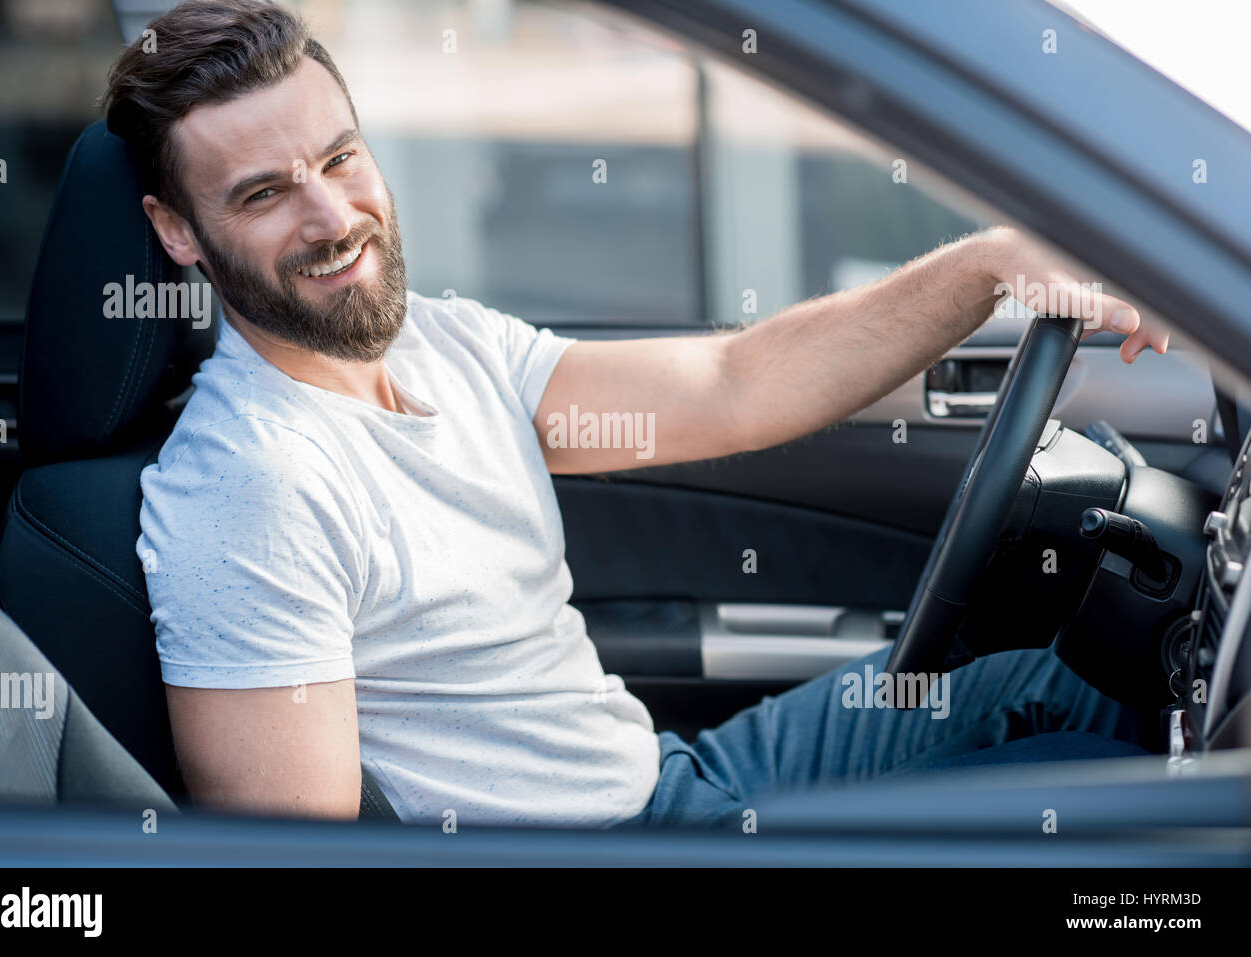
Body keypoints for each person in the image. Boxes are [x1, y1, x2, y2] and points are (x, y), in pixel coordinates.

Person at [113, 0, 1171, 828]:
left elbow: (735, 385)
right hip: (633, 843)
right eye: (263, 196)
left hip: (673, 780)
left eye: (340, 158)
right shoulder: (252, 486)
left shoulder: (442, 343)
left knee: (1061, 671)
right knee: (1105, 811)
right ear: (177, 232)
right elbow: (286, 858)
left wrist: (991, 266)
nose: (333, 216)